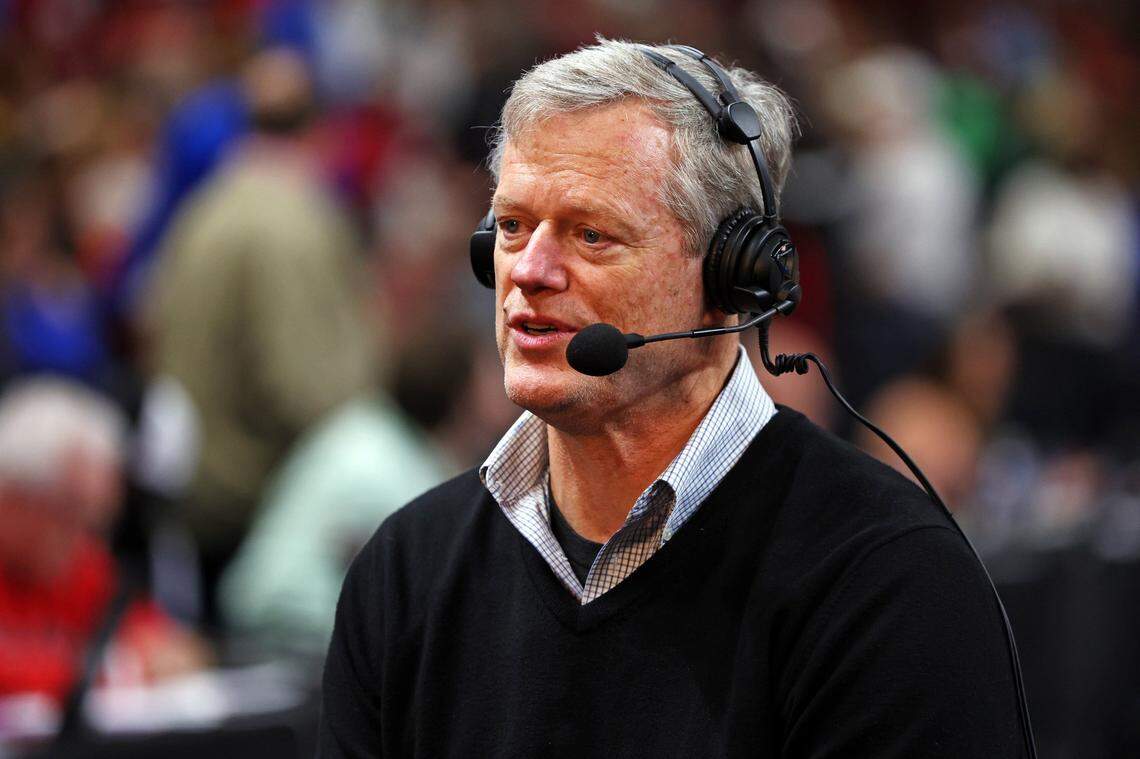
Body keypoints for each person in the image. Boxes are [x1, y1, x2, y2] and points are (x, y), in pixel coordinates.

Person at [319, 40, 1028, 758]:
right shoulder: (405, 570)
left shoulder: (889, 582)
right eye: (511, 226)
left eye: (591, 234)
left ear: (732, 280)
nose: (527, 271)